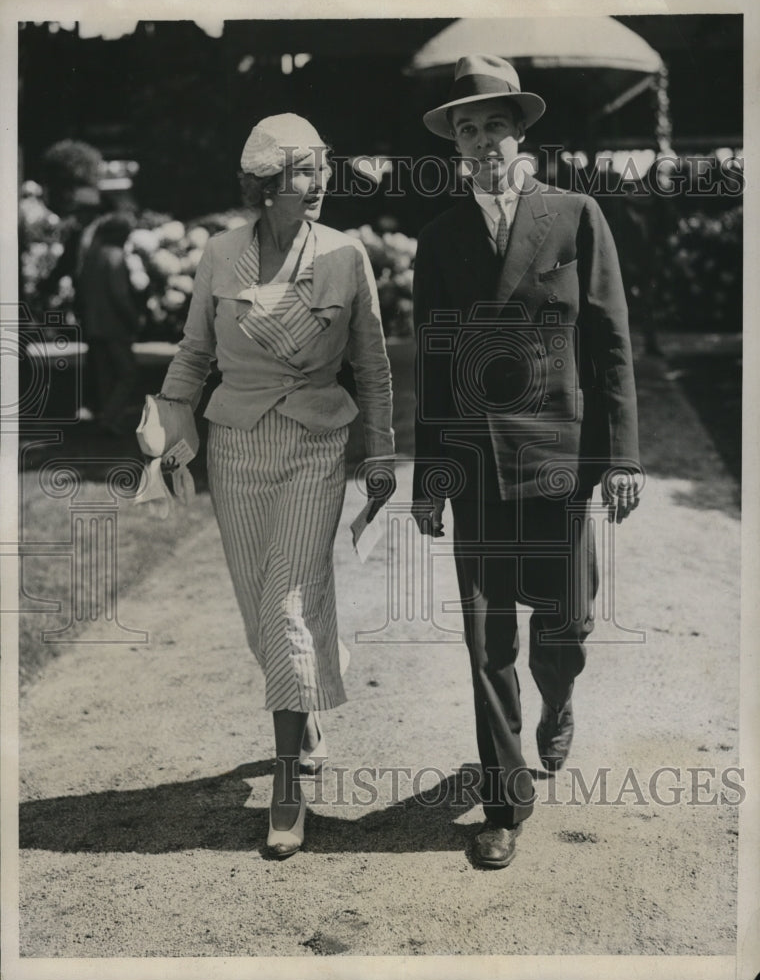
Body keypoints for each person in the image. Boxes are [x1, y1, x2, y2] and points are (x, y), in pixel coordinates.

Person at [412, 56, 640, 869]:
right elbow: (433, 361)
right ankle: (505, 800)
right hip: (475, 462)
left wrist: (624, 457)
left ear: (521, 131)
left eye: (494, 126)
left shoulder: (576, 215)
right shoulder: (438, 239)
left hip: (560, 451)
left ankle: (561, 697)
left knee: (565, 625)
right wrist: (429, 473)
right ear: (457, 146)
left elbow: (610, 342)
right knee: (484, 637)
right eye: (467, 130)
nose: (481, 143)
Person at [155, 114, 396, 858]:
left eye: (322, 167)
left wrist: (381, 457)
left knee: (288, 601)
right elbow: (194, 355)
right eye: (300, 170)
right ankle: (308, 703)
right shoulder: (221, 253)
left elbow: (376, 368)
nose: (318, 181)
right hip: (235, 448)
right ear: (265, 184)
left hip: (316, 444)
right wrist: (170, 432)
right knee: (263, 610)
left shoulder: (347, 256)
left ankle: (287, 787)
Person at [77, 212, 142, 434]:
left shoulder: (91, 255)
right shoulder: (114, 256)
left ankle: (106, 418)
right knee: (126, 373)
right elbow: (119, 295)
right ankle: (110, 419)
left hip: (93, 323)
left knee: (105, 374)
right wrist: (133, 319)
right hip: (113, 323)